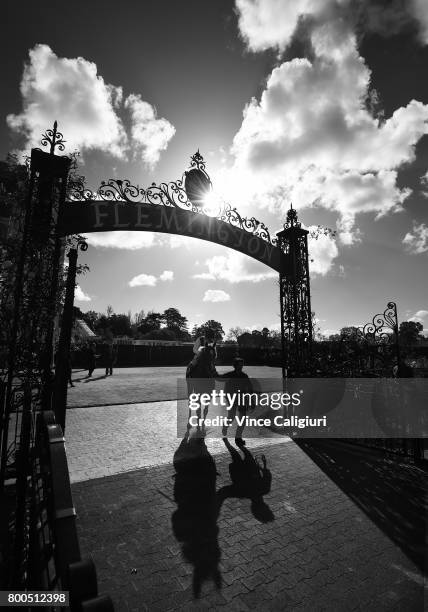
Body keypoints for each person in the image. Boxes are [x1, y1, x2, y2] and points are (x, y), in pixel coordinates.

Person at [220, 357, 253, 445]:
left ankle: (238, 438)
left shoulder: (244, 376)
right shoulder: (229, 375)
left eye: (242, 364)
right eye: (240, 364)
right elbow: (219, 378)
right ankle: (225, 426)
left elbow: (250, 388)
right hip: (232, 398)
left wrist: (251, 400)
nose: (242, 366)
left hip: (241, 398)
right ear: (235, 365)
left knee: (242, 419)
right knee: (231, 417)